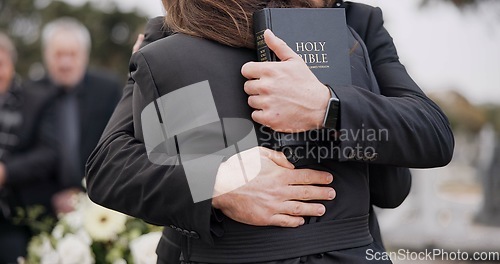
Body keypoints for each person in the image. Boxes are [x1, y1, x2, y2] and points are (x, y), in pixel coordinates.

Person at [86, 0, 453, 263]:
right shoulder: (175, 31)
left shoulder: (359, 23)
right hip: (214, 249)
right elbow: (110, 166)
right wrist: (214, 184)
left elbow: (431, 131)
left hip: (344, 244)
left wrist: (327, 105)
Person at [35, 17, 122, 214]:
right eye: (58, 54)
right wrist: (52, 196)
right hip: (43, 207)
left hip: (99, 203)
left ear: (85, 56)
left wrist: (84, 192)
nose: (65, 63)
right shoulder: (32, 93)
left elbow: (117, 143)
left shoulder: (107, 90)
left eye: (72, 54)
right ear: (46, 55)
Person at [0, 32, 58, 263]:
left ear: (12, 64)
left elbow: (48, 154)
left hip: (14, 219)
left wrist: (6, 172)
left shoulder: (36, 101)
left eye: (0, 64)